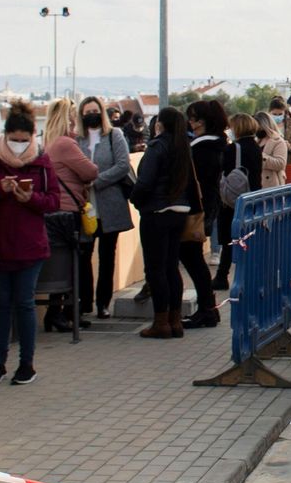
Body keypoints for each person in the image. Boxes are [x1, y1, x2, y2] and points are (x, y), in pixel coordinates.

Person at [0, 100, 59, 386]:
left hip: (31, 246)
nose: (17, 146)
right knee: (1, 304)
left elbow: (53, 200)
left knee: (24, 303)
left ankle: (27, 363)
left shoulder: (42, 161)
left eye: (23, 141)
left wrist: (31, 199)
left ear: (32, 138)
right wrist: (0, 191)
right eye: (13, 140)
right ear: (5, 135)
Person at [130, 106, 197, 339]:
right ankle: (175, 321)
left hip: (157, 212)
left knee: (155, 269)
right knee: (171, 267)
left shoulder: (157, 147)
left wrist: (136, 199)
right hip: (180, 211)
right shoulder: (183, 148)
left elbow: (145, 182)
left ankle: (161, 322)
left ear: (161, 124)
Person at [42, 99, 99, 331]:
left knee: (62, 263)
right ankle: (61, 314)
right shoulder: (66, 144)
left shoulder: (49, 143)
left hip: (55, 210)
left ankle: (61, 313)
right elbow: (91, 170)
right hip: (69, 211)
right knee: (73, 264)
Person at [199, 112, 264, 313]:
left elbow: (222, 169)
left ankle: (222, 276)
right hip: (252, 196)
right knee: (247, 239)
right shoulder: (255, 147)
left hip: (233, 200)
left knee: (229, 239)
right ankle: (247, 277)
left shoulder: (233, 148)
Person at [77, 97, 134, 320]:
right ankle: (85, 302)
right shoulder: (77, 139)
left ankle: (103, 303)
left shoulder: (114, 136)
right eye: (87, 111)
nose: (91, 114)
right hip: (85, 206)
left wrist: (97, 181)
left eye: (94, 110)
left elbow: (122, 165)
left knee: (107, 256)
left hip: (109, 204)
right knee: (84, 255)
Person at [179, 100, 229, 328]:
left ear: (204, 121)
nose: (191, 123)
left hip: (196, 210)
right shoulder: (216, 145)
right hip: (206, 209)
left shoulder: (202, 149)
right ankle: (208, 308)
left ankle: (207, 308)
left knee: (192, 259)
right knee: (194, 258)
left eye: (194, 118)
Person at [255, 110, 289, 189]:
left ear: (264, 125)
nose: (256, 129)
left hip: (272, 185)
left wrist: (260, 155)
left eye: (257, 126)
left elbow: (280, 164)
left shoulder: (278, 141)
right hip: (258, 184)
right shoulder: (257, 140)